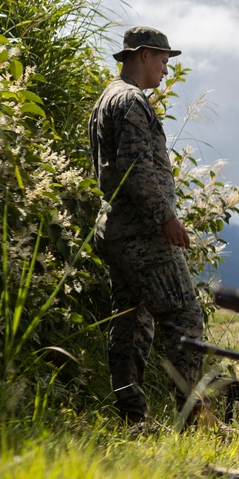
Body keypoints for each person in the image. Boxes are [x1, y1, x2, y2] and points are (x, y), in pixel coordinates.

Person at [89, 26, 204, 425]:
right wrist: (166, 218)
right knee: (184, 317)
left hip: (114, 229)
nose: (166, 70)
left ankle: (132, 418)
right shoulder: (132, 101)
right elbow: (136, 169)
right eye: (162, 60)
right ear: (142, 55)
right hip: (142, 234)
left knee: (129, 321)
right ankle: (194, 420)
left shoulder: (107, 98)